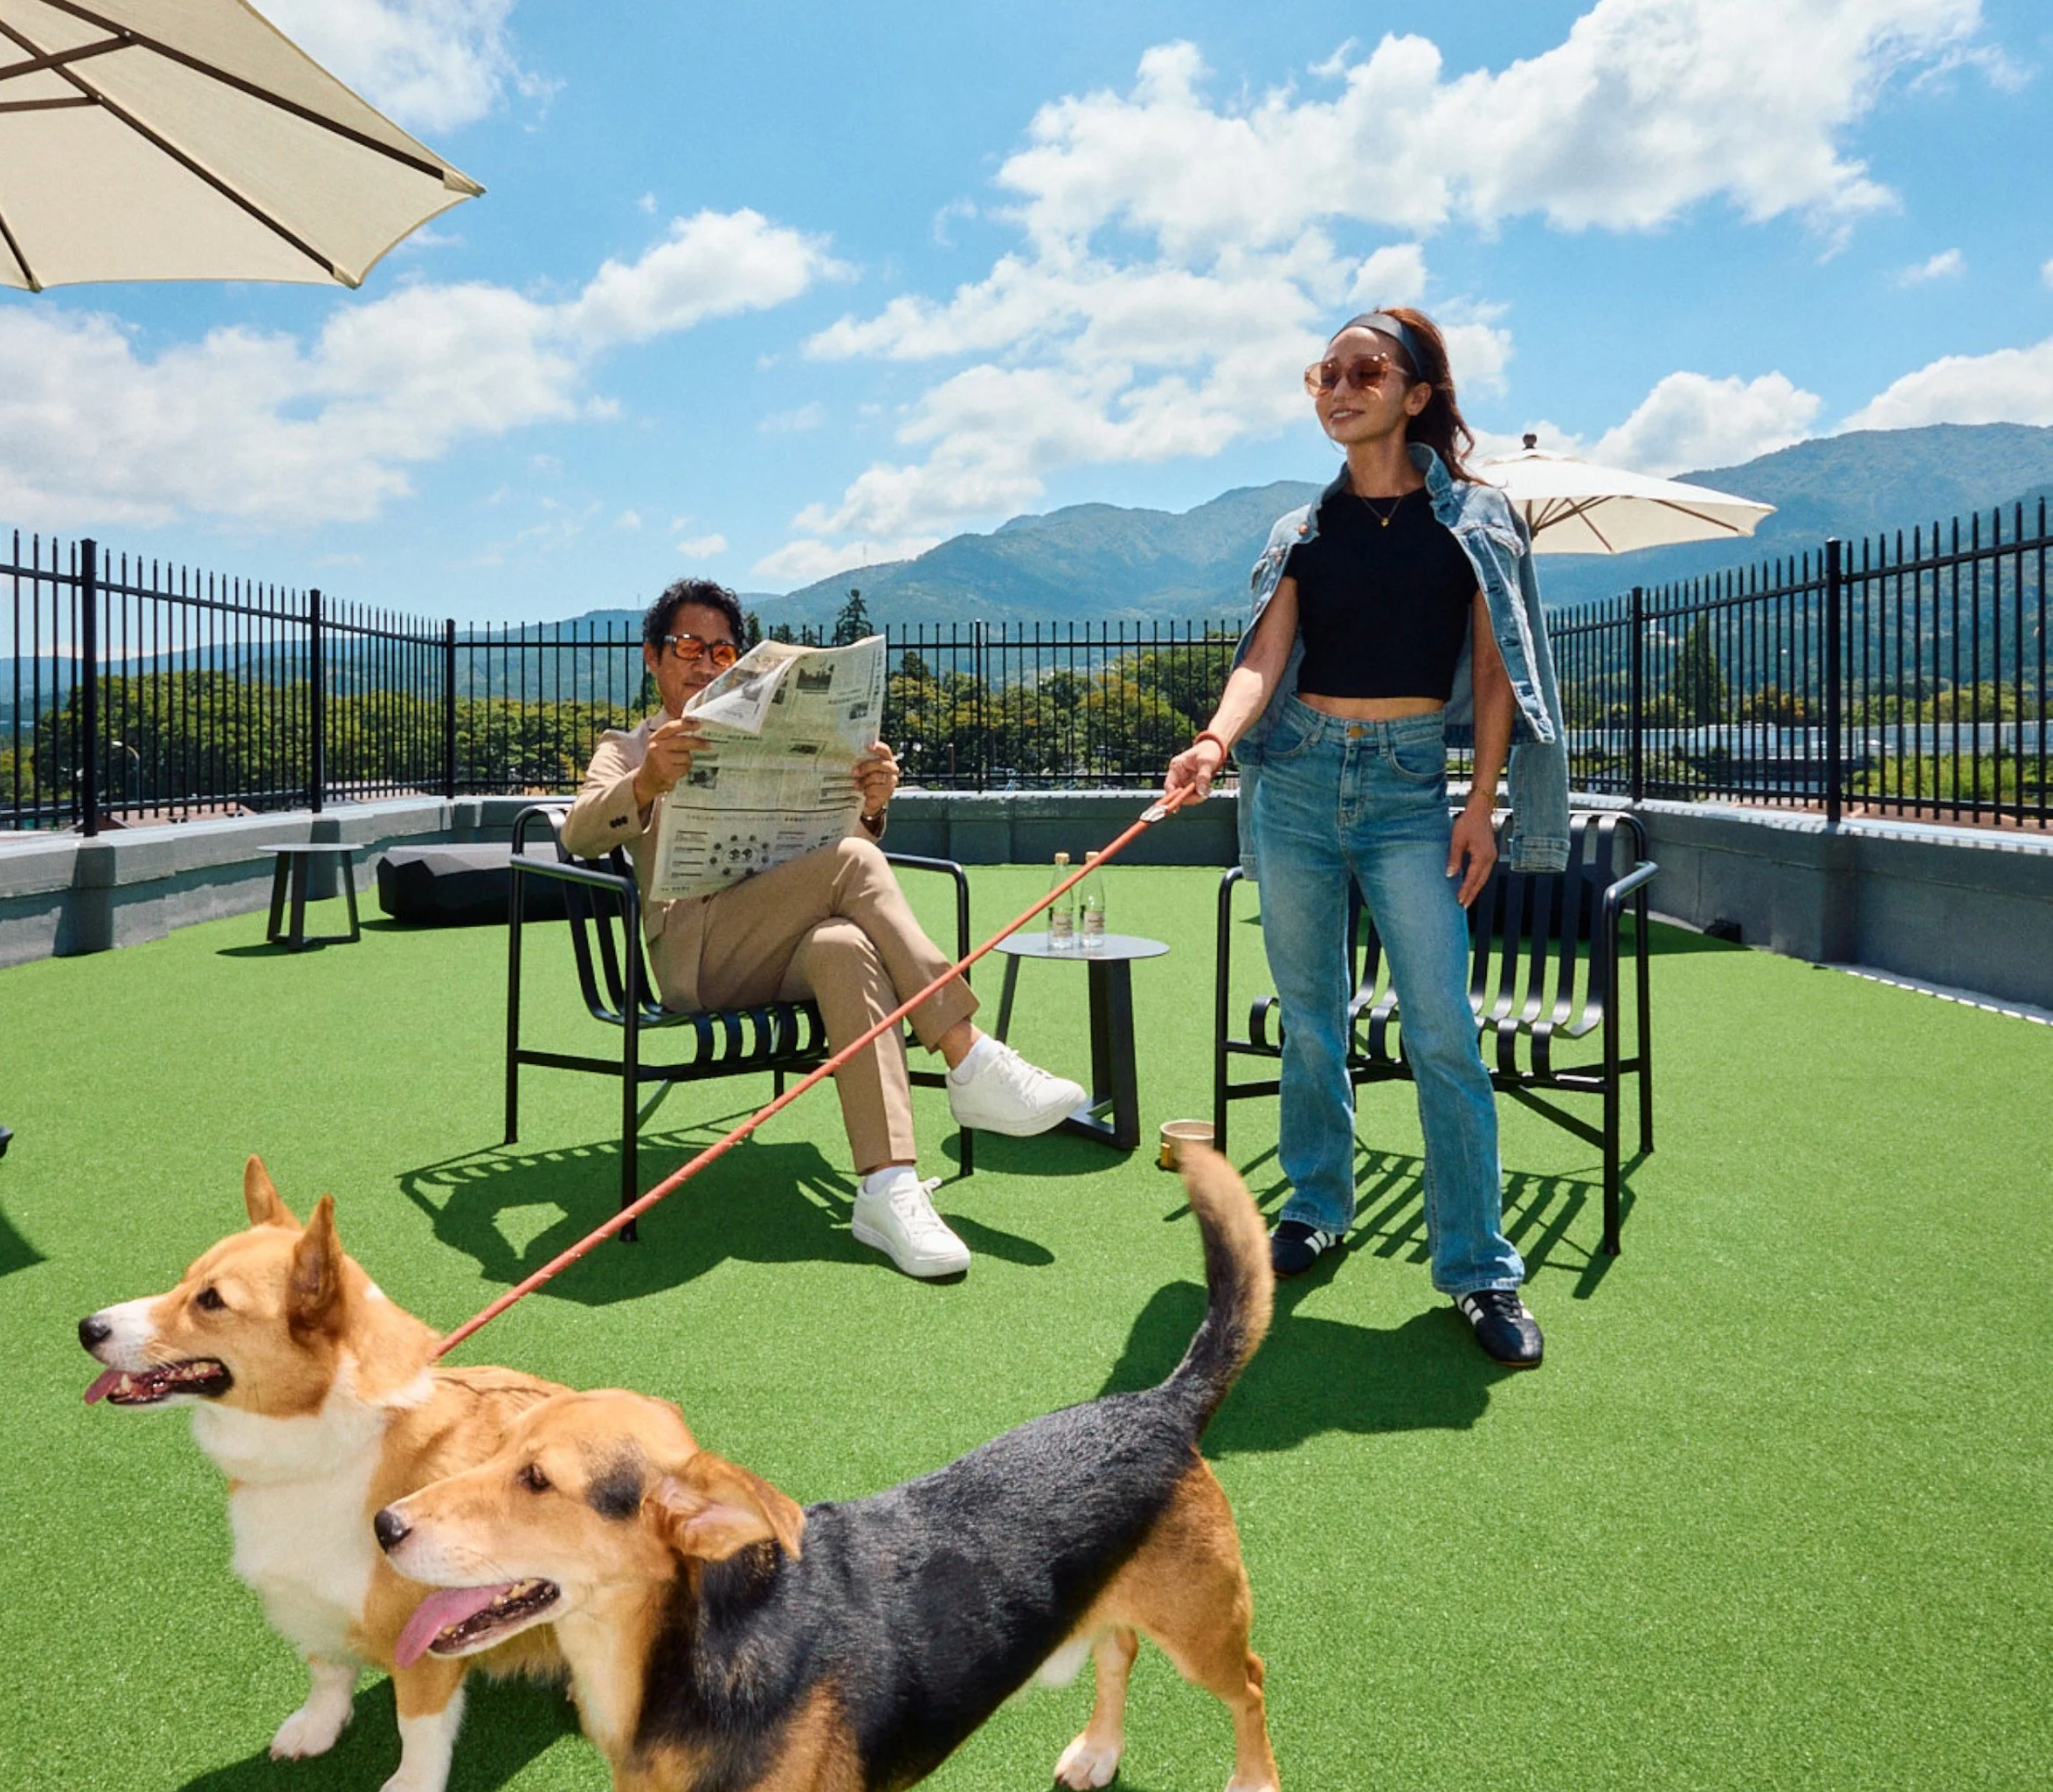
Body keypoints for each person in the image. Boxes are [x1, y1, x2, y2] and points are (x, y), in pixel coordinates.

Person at [1162, 308, 1569, 1367]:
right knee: (1308, 1016)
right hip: (1292, 780)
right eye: (1322, 373)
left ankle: (1479, 1267)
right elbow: (1265, 654)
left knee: (1440, 1027)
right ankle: (1317, 1203)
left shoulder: (1475, 520)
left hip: (1403, 794)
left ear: (1417, 393)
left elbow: (1492, 672)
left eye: (1362, 370)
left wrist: (1479, 804)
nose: (1336, 387)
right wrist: (1212, 741)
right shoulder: (1300, 528)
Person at [561, 578, 1089, 1280]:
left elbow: (828, 850)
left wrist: (869, 804)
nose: (705, 662)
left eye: (723, 650)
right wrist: (648, 783)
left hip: (779, 945)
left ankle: (887, 1186)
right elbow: (578, 829)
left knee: (842, 945)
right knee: (853, 862)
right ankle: (967, 1056)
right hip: (697, 958)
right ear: (652, 658)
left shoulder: (769, 737)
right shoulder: (628, 748)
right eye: (688, 645)